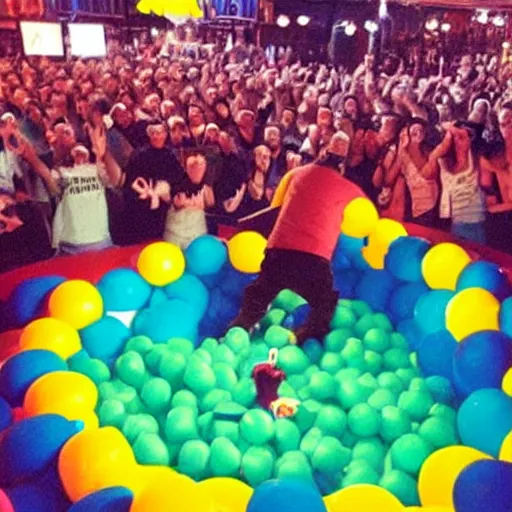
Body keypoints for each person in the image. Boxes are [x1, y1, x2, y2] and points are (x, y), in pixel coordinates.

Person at [229, 132, 366, 345]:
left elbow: (273, 210)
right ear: (342, 165)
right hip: (313, 258)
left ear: (322, 153)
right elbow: (364, 221)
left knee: (258, 295)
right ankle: (303, 345)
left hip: (278, 250)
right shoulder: (351, 190)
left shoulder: (295, 175)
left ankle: (237, 332)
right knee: (324, 303)